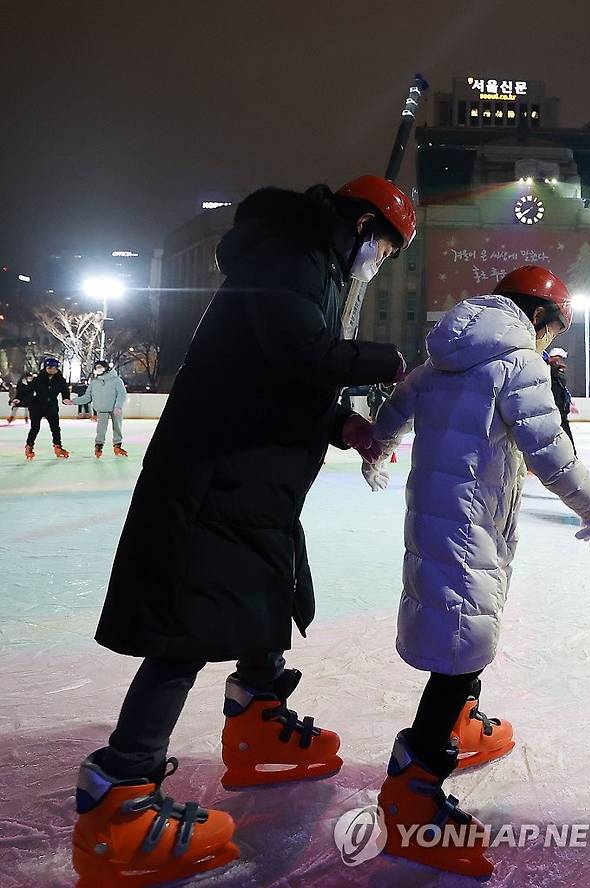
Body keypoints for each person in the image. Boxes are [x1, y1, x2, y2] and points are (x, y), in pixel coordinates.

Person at [71, 175, 416, 885]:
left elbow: (275, 382)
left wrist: (340, 424)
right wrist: (396, 363)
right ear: (359, 229)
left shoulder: (305, 265)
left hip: (249, 477)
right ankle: (122, 795)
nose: (379, 262)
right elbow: (301, 358)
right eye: (383, 247)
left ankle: (259, 717)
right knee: (187, 626)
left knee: (262, 591)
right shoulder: (289, 260)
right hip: (215, 478)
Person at [362, 266, 590, 877]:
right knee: (463, 642)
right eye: (555, 327)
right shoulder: (517, 364)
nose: (551, 340)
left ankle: (461, 722)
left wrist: (378, 446)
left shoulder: (445, 356)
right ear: (540, 317)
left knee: (464, 627)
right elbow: (551, 453)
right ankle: (413, 784)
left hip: (438, 516)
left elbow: (396, 407)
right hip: (470, 523)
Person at [73, 360, 128, 457]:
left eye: (100, 367)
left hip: (115, 408)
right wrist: (73, 401)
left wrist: (118, 406)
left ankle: (117, 445)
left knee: (117, 427)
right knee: (101, 429)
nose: (98, 369)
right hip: (102, 408)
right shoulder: (94, 382)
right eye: (97, 367)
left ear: (106, 368)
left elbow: (122, 394)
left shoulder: (116, 380)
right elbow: (87, 397)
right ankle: (99, 445)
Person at [24, 358, 72, 459]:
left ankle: (58, 446)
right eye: (49, 367)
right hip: (37, 406)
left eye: (54, 368)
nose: (52, 370)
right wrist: (18, 399)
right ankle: (29, 446)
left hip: (51, 406)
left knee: (55, 428)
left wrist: (66, 398)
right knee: (35, 428)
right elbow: (28, 390)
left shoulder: (60, 380)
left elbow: (65, 391)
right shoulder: (38, 379)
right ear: (45, 368)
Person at [546, 347, 576, 452]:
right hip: (555, 412)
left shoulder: (558, 372)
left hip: (560, 412)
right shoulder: (550, 371)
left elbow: (563, 389)